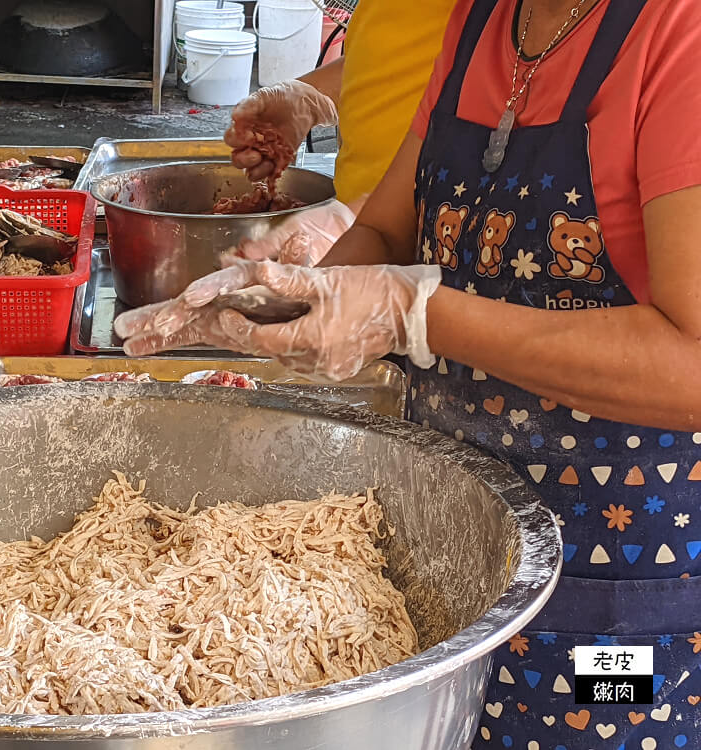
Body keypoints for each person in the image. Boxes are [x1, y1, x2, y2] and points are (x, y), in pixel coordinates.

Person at [116, 0, 701, 747]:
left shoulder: (678, 36)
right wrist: (301, 305)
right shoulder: (483, 21)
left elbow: (691, 364)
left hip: (622, 593)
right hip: (455, 565)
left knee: (598, 713)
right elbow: (392, 226)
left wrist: (411, 312)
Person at [222, 0, 454, 266]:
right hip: (362, 235)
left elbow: (495, 70)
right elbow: (399, 45)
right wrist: (309, 96)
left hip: (441, 241)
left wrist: (380, 218)